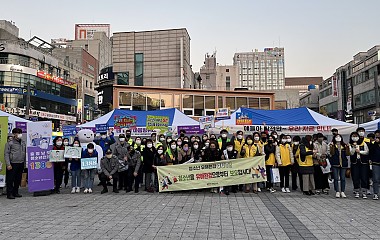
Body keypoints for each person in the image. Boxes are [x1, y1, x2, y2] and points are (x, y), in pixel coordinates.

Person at [4, 128, 26, 199]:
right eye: (17, 133)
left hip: (21, 163)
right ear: (14, 134)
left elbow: (24, 153)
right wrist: (8, 164)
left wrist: (25, 164)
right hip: (12, 163)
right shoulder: (9, 143)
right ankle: (9, 193)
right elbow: (6, 154)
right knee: (10, 179)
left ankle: (15, 192)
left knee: (18, 179)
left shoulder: (23, 142)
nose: (19, 134)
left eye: (20, 133)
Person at [349, 131, 370, 198]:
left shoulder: (363, 143)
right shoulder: (350, 144)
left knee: (364, 176)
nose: (355, 138)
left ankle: (364, 191)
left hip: (363, 162)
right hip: (355, 162)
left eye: (356, 136)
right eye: (353, 136)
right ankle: (357, 190)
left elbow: (367, 152)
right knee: (355, 177)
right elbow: (351, 153)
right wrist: (354, 147)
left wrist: (360, 152)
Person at [329, 134, 349, 198]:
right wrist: (331, 146)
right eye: (336, 137)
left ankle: (342, 191)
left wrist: (348, 147)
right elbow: (331, 153)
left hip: (343, 164)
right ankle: (337, 191)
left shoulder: (344, 145)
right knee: (336, 178)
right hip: (335, 163)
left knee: (343, 178)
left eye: (339, 137)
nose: (338, 138)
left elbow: (348, 154)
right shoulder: (333, 145)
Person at [370, 135, 380, 200]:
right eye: (376, 138)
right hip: (375, 163)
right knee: (376, 179)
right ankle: (375, 193)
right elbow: (371, 152)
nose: (377, 139)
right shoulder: (374, 145)